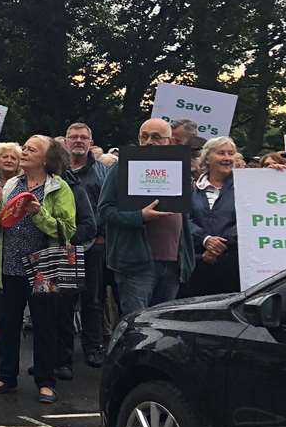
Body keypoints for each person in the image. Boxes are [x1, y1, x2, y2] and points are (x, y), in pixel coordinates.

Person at [0, 135, 76, 404]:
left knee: (44, 325)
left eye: (32, 149)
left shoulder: (59, 188)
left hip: (43, 265)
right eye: (25, 147)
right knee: (9, 323)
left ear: (46, 159)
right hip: (10, 264)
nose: (24, 151)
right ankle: (6, 378)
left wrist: (38, 213)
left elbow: (67, 230)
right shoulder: (11, 184)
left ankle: (45, 382)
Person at [98, 117, 197, 317]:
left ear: (169, 141)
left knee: (163, 325)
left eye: (157, 137)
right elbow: (105, 210)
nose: (150, 141)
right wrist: (139, 216)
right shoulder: (121, 168)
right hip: (136, 264)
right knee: (137, 325)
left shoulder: (180, 169)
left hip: (173, 264)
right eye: (145, 137)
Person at [64, 122, 108, 366]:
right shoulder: (57, 171)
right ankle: (64, 351)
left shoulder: (103, 172)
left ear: (91, 142)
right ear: (66, 141)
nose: (78, 141)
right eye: (74, 137)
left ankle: (93, 347)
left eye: (83, 137)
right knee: (64, 300)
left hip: (93, 244)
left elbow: (108, 204)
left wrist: (101, 235)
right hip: (64, 245)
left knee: (92, 299)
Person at [180, 137, 240, 297]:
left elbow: (249, 219)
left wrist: (220, 245)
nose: (227, 158)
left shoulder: (245, 186)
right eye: (221, 153)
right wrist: (205, 239)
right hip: (197, 263)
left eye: (231, 153)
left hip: (233, 266)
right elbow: (183, 219)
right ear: (207, 157)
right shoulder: (191, 187)